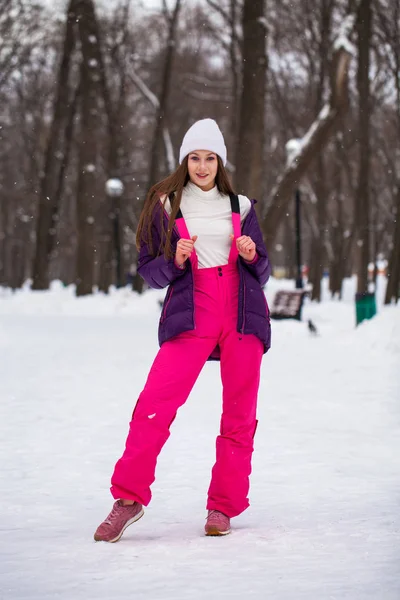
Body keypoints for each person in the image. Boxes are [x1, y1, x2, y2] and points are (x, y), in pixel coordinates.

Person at [94, 118, 271, 542]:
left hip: (242, 314)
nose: (203, 166)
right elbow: (148, 272)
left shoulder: (242, 207)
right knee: (155, 402)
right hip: (193, 313)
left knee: (240, 413)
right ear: (184, 161)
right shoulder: (166, 205)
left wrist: (250, 255)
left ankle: (223, 506)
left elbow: (262, 271)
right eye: (195, 157)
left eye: (211, 158)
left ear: (220, 162)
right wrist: (173, 260)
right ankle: (128, 499)